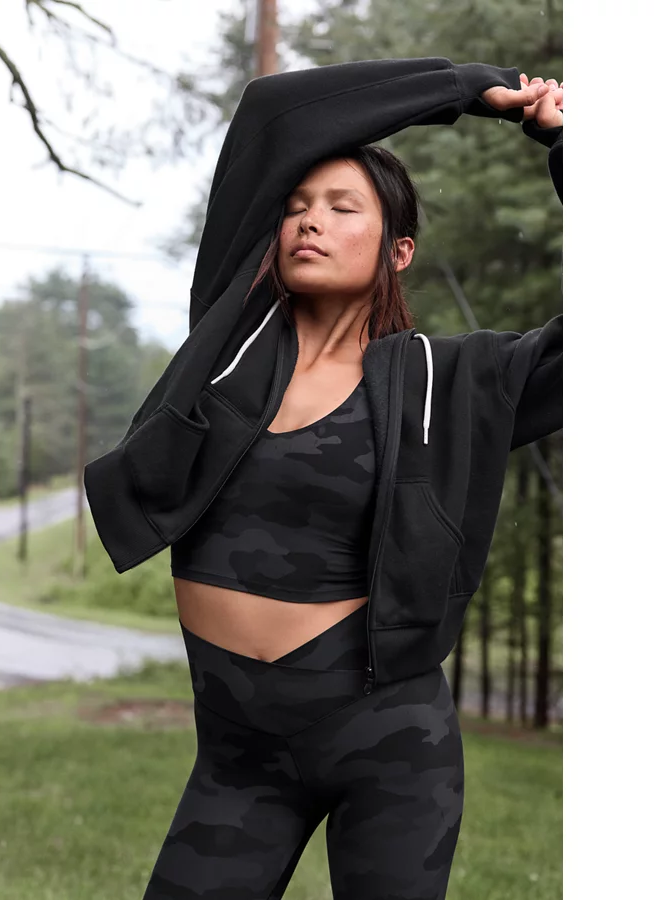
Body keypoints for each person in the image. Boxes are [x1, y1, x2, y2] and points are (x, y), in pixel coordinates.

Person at [84, 57, 562, 900]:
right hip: (236, 761)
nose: (311, 220)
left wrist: (568, 148)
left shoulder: (453, 384)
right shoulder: (227, 348)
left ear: (398, 250)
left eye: (344, 208)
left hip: (390, 752)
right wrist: (468, 89)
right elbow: (273, 110)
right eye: (297, 205)